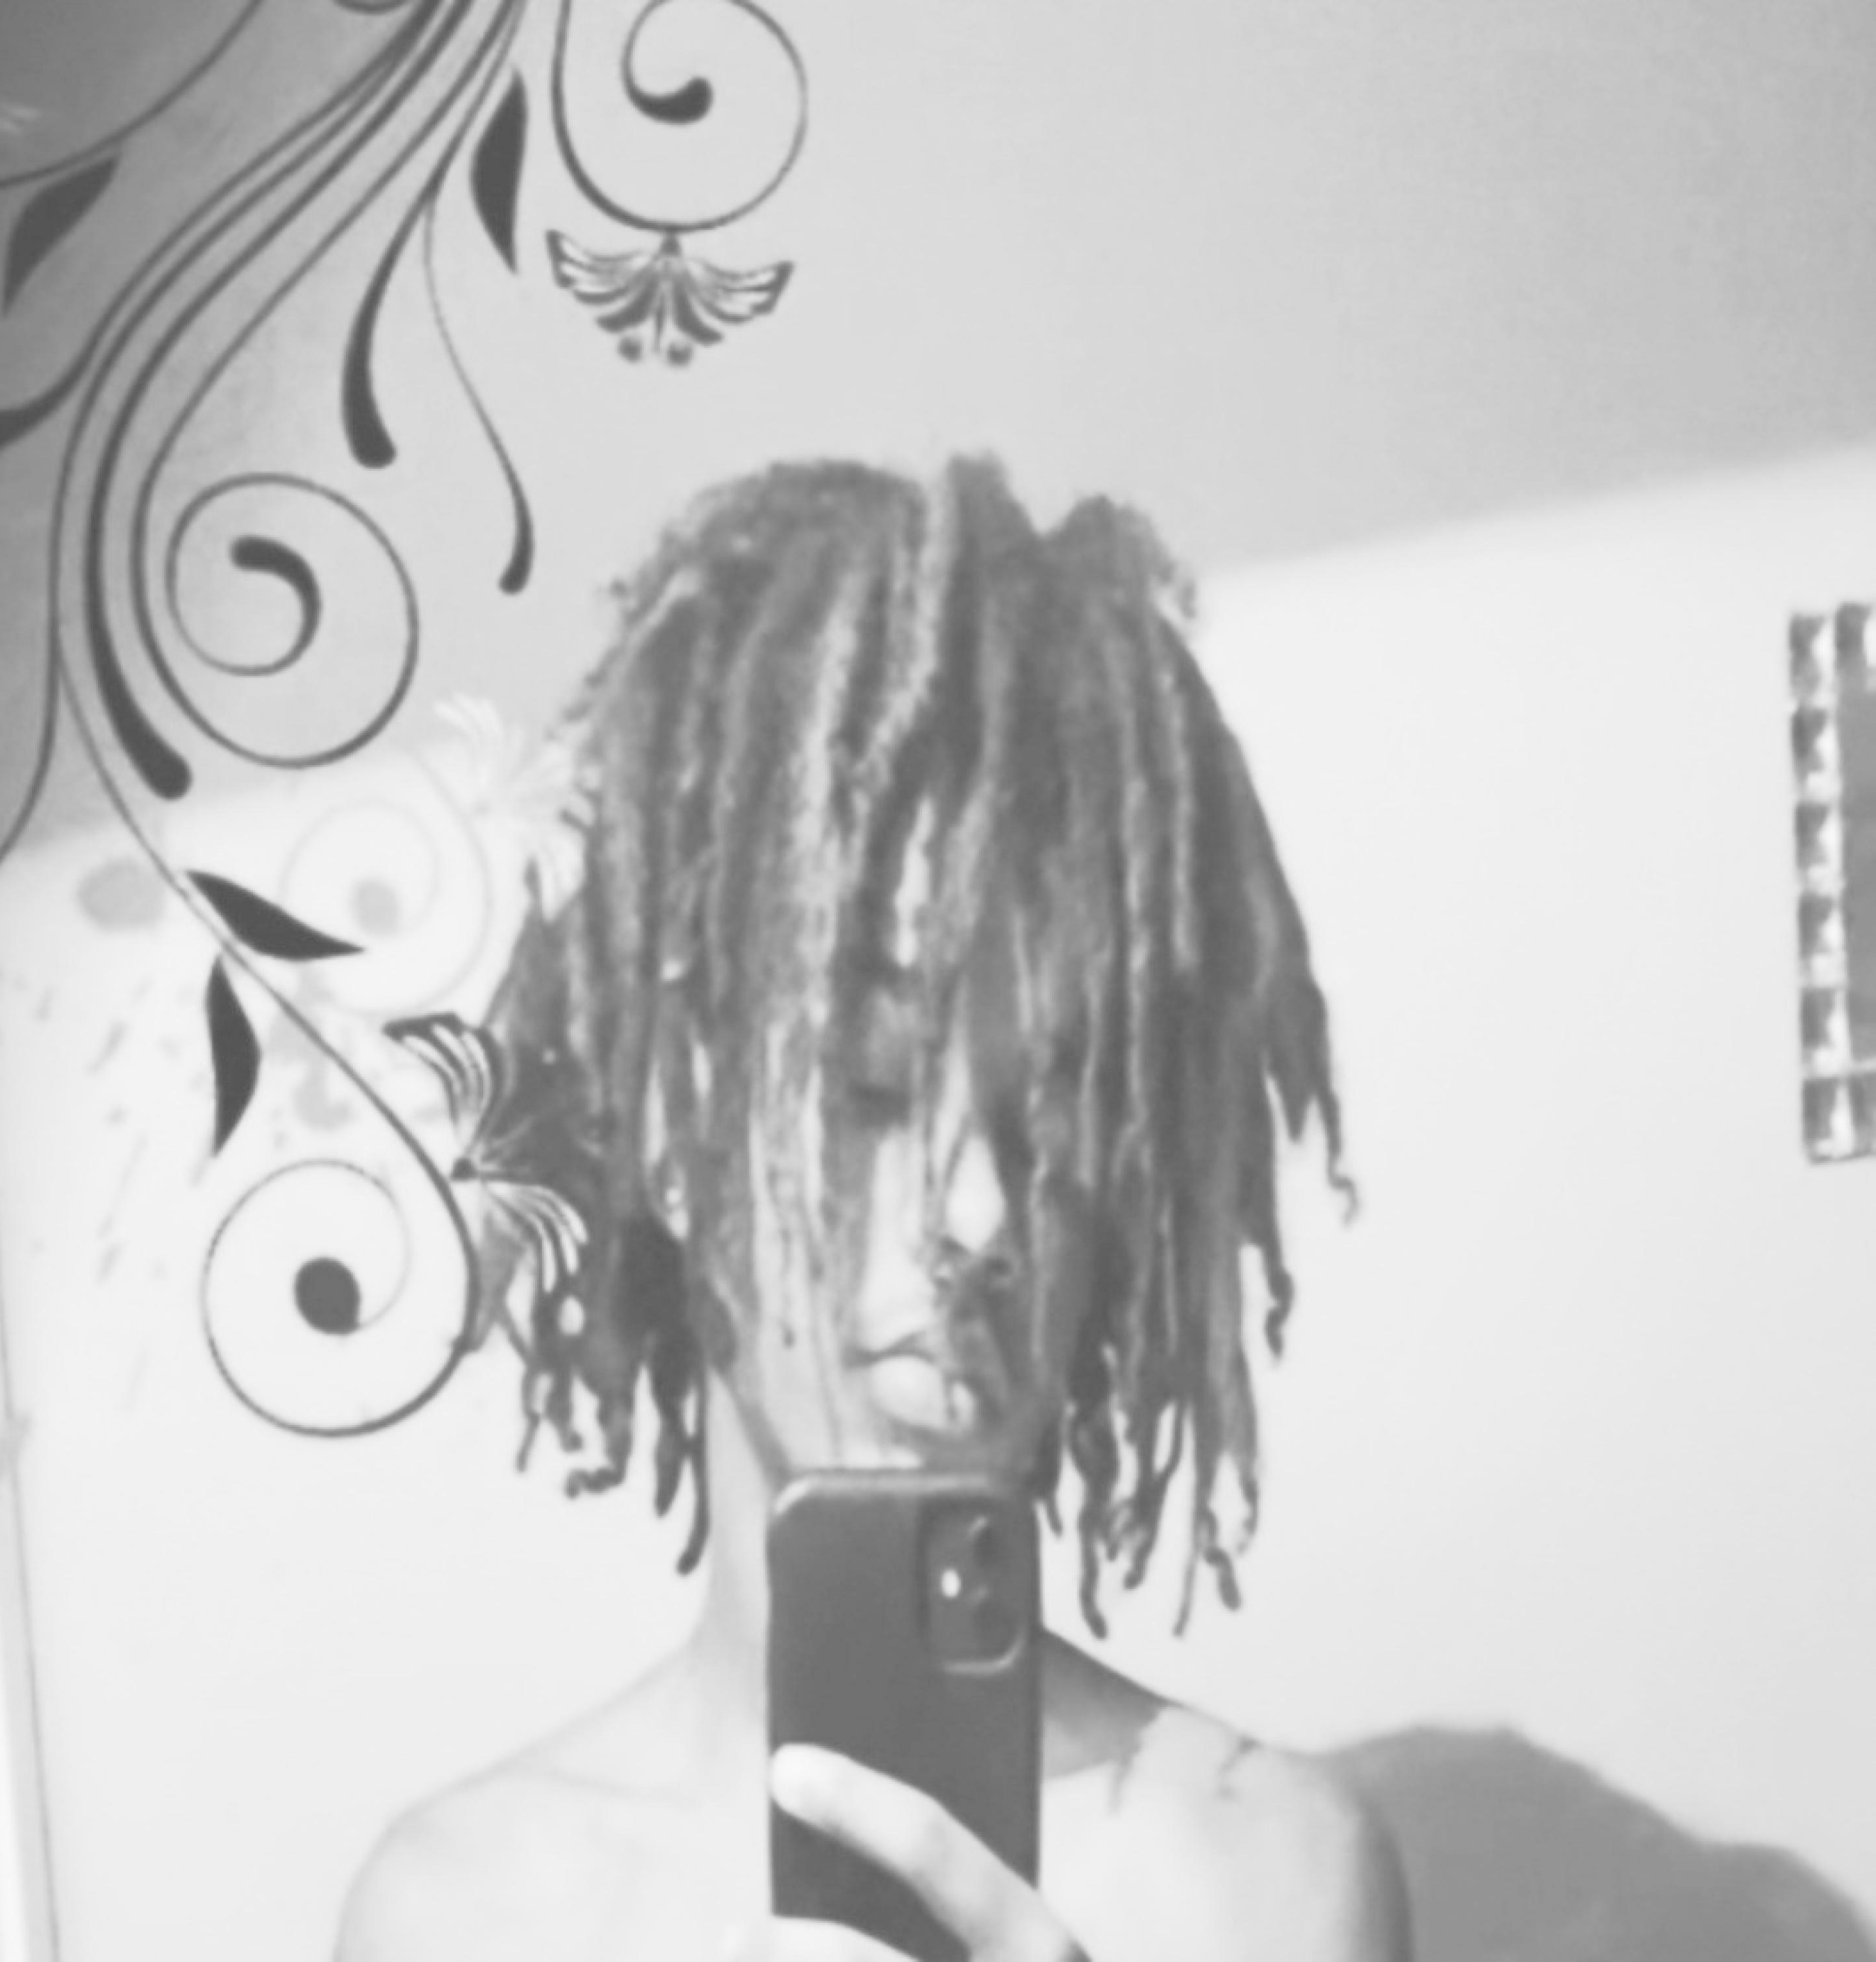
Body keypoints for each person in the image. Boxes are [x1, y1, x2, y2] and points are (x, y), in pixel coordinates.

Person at [337, 456, 1411, 1961]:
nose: (981, 1215)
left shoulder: (1257, 1883)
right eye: (873, 1085)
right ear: (678, 1119)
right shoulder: (468, 1917)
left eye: (1056, 1115)